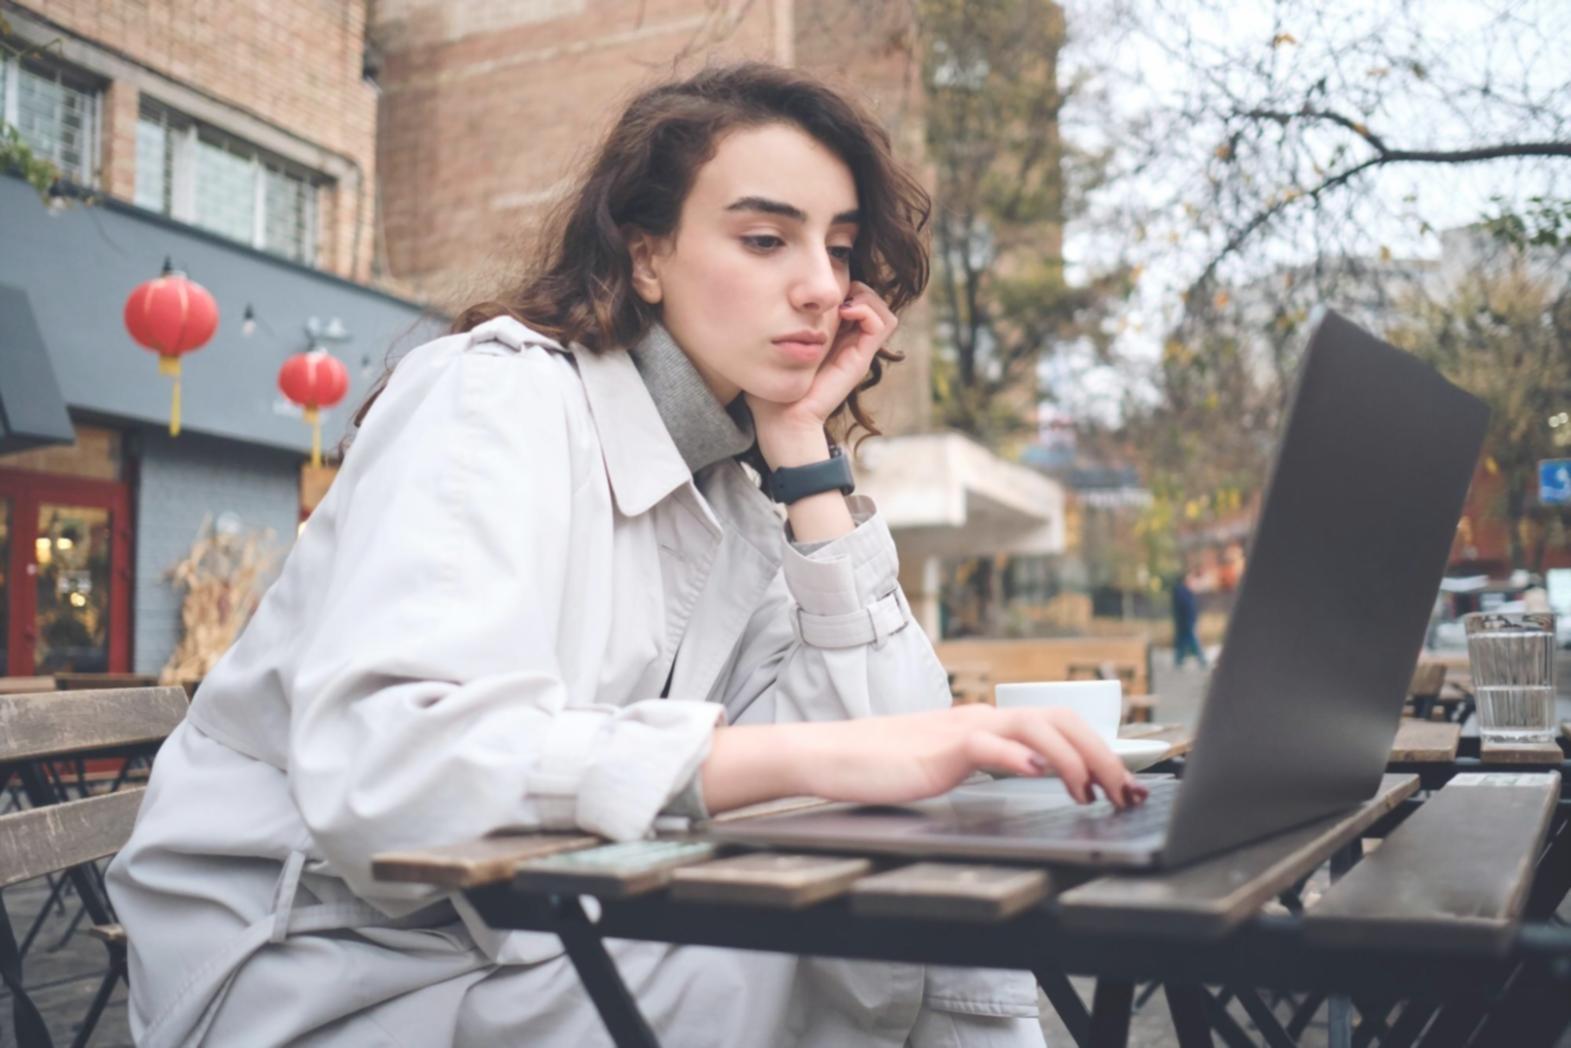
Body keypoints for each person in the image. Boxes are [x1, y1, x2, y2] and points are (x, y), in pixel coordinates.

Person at [107, 63, 1144, 1047]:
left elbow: (886, 751)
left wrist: (803, 449)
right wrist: (809, 758)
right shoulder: (495, 397)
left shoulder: (740, 482)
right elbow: (396, 768)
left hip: (525, 931)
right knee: (770, 942)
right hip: (322, 966)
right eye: (763, 240)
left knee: (878, 917)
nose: (821, 288)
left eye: (835, 247)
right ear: (645, 255)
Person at [1171, 571, 1207, 668]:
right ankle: (1201, 659)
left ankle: (1179, 660)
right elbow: (1186, 608)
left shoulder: (1183, 591)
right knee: (1192, 641)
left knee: (1183, 641)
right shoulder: (1182, 592)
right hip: (1186, 622)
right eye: (1189, 579)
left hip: (1186, 621)